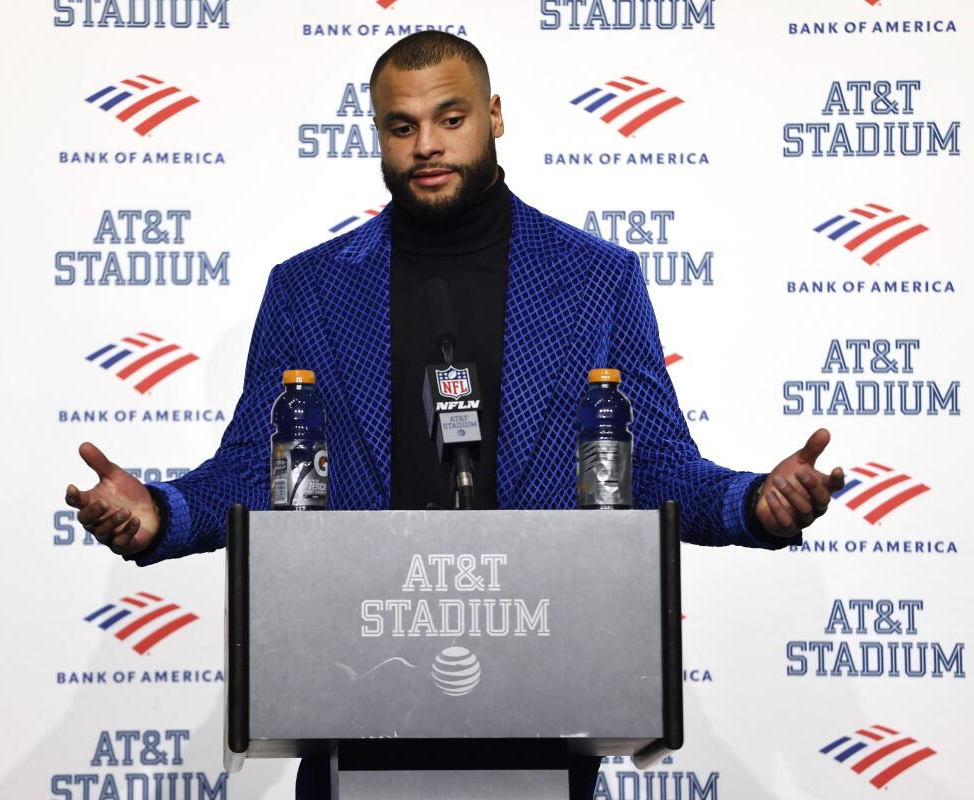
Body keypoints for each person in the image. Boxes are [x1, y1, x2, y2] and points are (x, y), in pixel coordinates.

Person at [65, 31, 845, 800]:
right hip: (358, 699)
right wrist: (161, 513)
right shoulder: (309, 289)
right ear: (378, 134)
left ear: (495, 115)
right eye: (401, 127)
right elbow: (255, 467)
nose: (427, 145)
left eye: (451, 118)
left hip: (542, 699)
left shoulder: (596, 277)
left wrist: (753, 504)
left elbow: (654, 464)